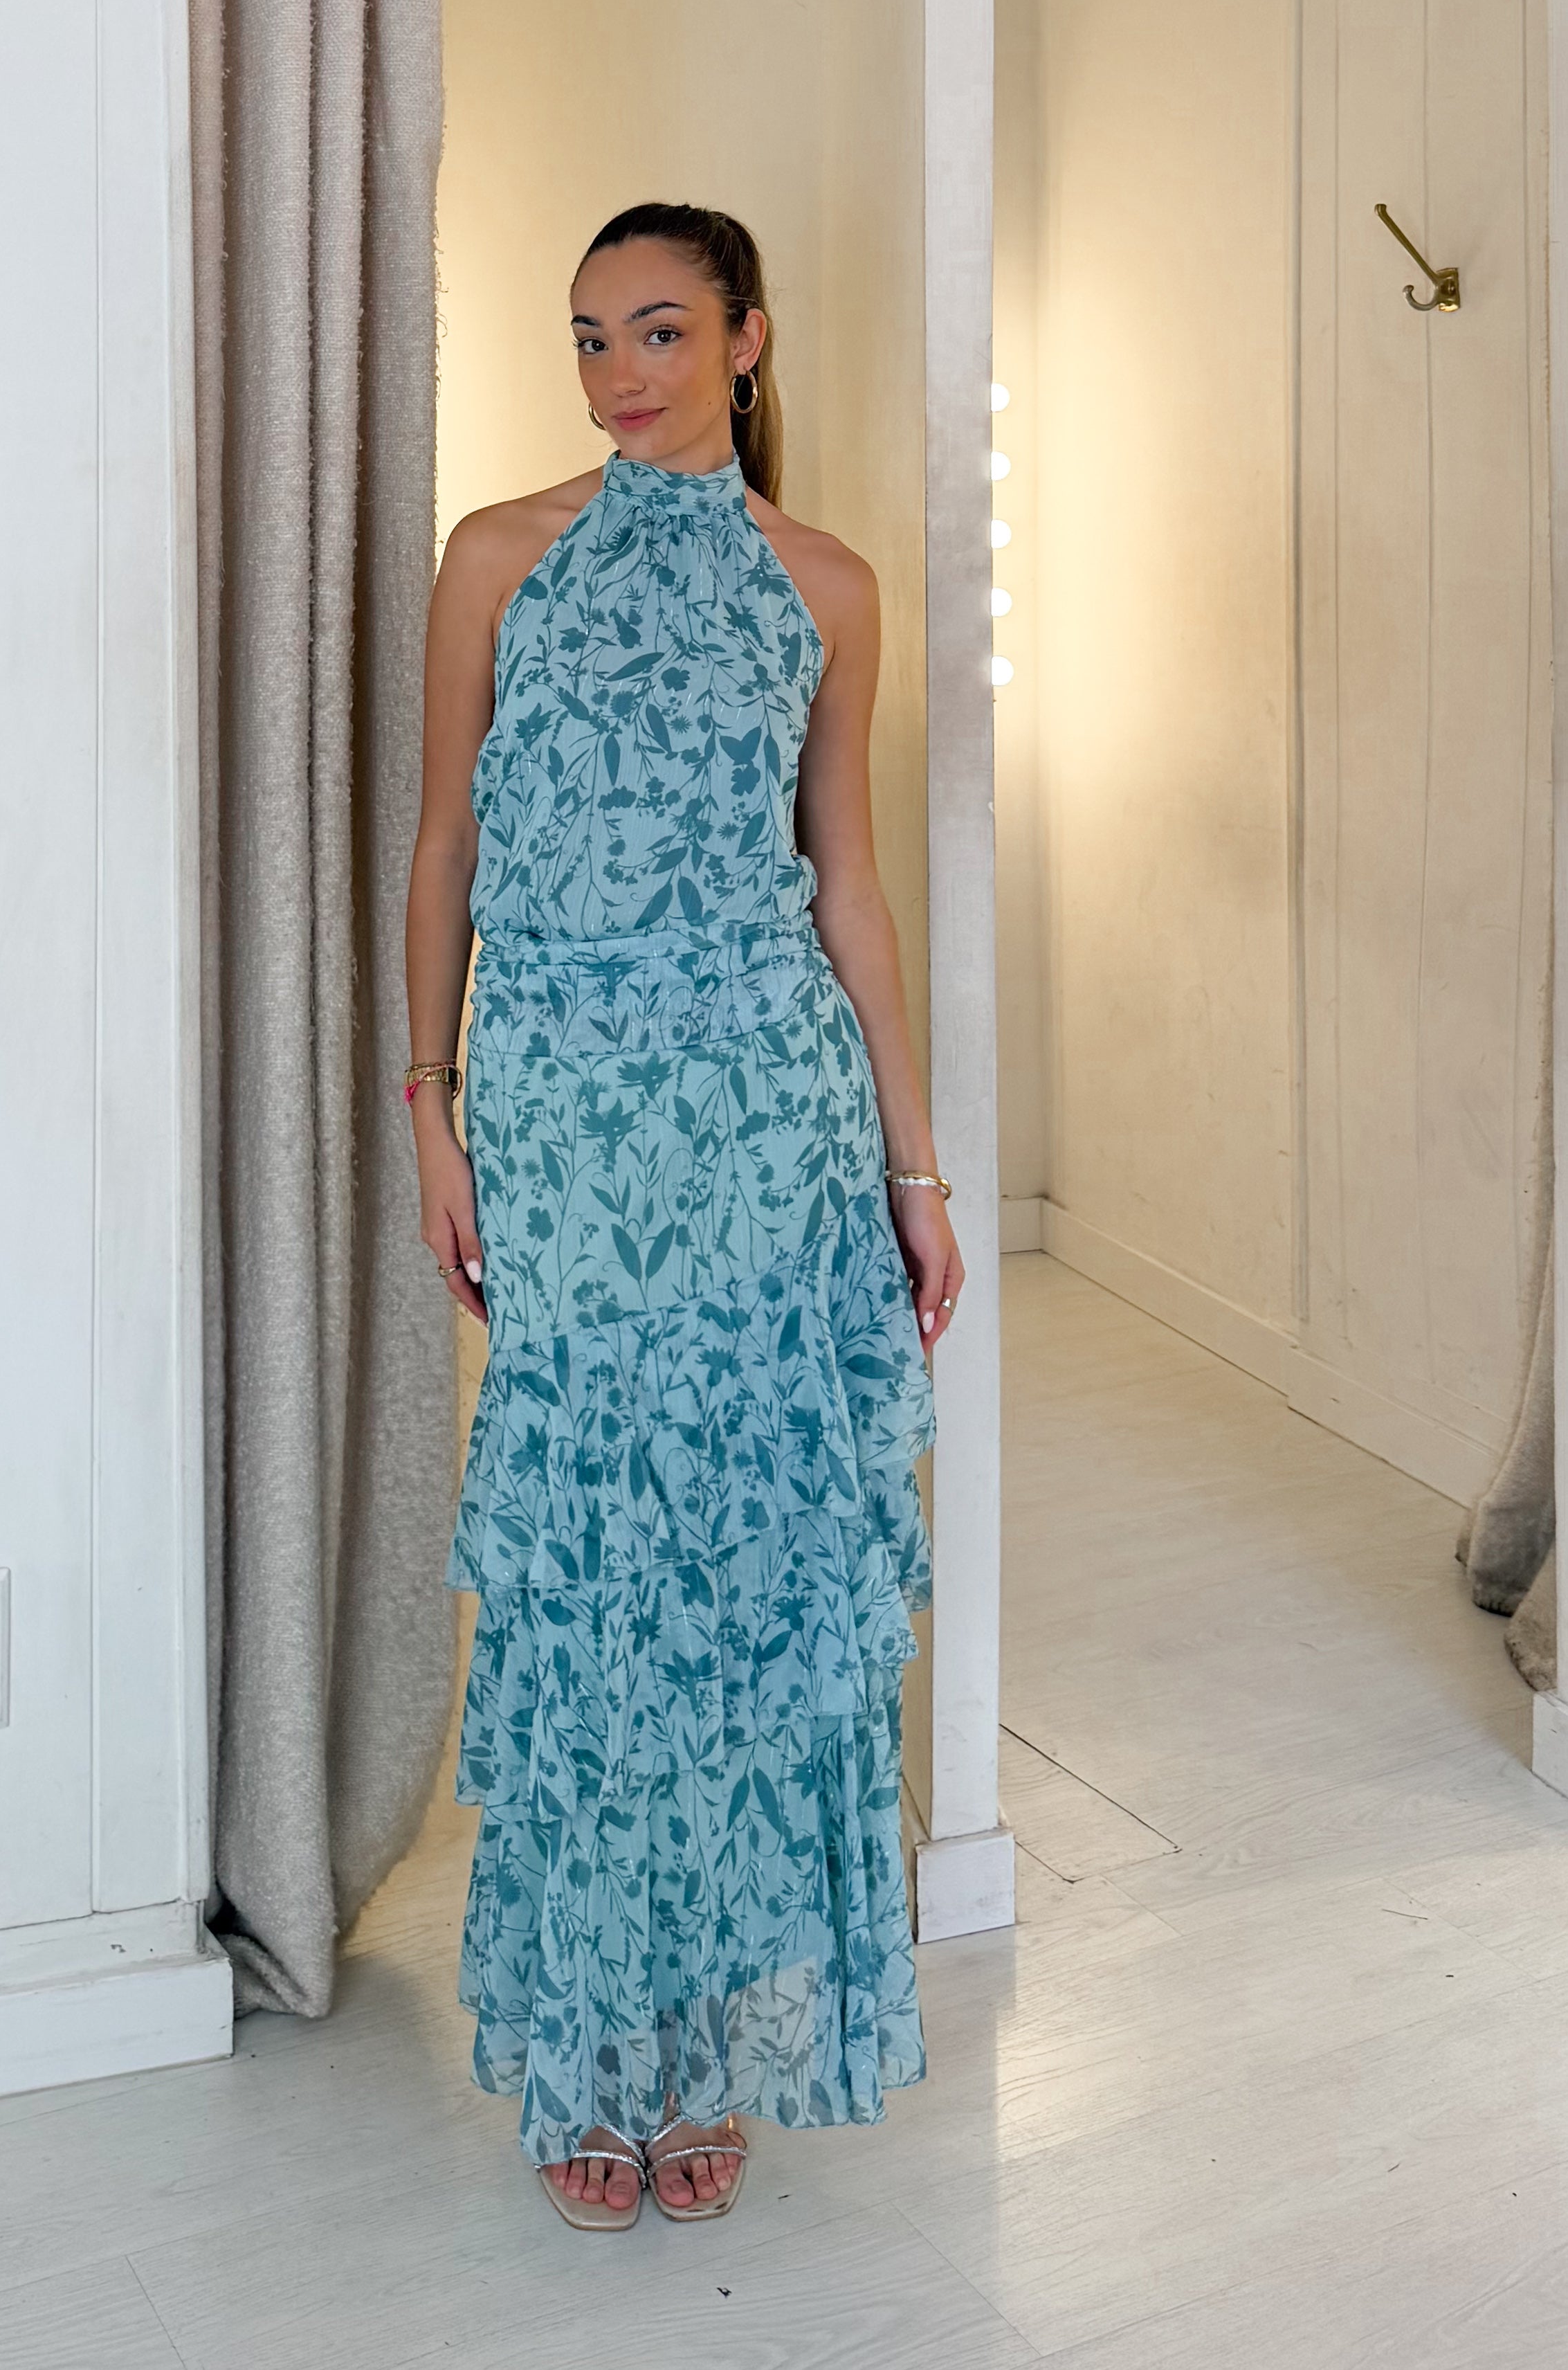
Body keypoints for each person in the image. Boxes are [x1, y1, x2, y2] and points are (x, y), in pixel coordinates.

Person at [403, 201, 961, 2234]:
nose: (617, 370)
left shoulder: (828, 584)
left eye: (656, 328)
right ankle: (586, 2049)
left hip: (766, 1118)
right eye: (587, 336)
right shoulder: (497, 555)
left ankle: (705, 2050)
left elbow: (847, 883)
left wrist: (911, 1165)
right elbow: (444, 840)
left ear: (745, 338)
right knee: (590, 1576)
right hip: (559, 1107)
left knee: (734, 1575)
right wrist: (430, 1102)